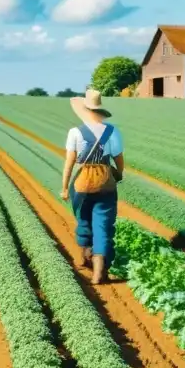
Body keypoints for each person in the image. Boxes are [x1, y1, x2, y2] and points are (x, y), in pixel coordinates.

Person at [59, 89, 124, 284]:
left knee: (84, 221)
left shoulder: (75, 132)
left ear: (86, 110)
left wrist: (64, 188)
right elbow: (119, 161)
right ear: (101, 111)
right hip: (105, 184)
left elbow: (69, 163)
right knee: (103, 226)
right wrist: (116, 177)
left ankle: (85, 257)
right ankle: (99, 271)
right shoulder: (113, 132)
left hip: (82, 184)